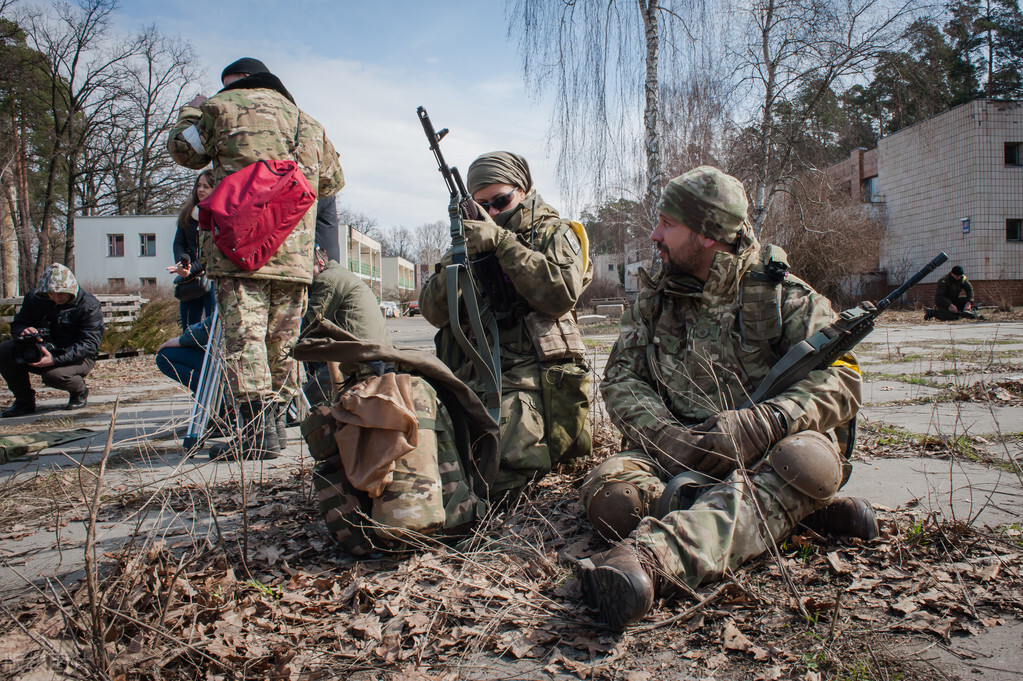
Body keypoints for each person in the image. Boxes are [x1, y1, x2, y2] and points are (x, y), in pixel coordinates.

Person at [576, 167, 877, 630]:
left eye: (667, 224)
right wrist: (666, 436)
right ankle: (783, 516)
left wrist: (768, 421)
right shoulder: (655, 300)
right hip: (675, 454)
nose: (655, 235)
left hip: (770, 451)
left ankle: (654, 559)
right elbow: (620, 378)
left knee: (805, 464)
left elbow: (844, 378)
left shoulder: (784, 297)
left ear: (708, 234)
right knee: (614, 499)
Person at [167, 56, 344, 459]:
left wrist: (191, 111)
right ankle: (275, 431)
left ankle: (256, 435)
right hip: (293, 250)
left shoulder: (218, 108)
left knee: (244, 337)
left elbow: (183, 150)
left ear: (238, 82)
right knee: (283, 341)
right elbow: (332, 180)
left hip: (240, 246)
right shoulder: (308, 123)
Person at [418, 151, 593, 501]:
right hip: (475, 376)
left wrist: (501, 244)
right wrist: (460, 254)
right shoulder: (469, 240)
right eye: (483, 205)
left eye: (501, 201)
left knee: (494, 481)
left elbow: (561, 293)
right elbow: (434, 312)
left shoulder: (554, 232)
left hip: (534, 378)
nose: (493, 213)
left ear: (523, 191)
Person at [0, 264, 104, 416]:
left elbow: (90, 344)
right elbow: (18, 323)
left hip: (77, 357)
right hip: (40, 350)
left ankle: (79, 391)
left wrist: (55, 359)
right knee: (4, 350)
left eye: (61, 293)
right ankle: (24, 401)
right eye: (51, 294)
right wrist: (23, 331)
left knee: (54, 376)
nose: (56, 297)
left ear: (71, 289)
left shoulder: (88, 305)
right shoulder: (34, 299)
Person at [301, 246, 393, 406]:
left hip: (363, 359)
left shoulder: (327, 280)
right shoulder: (341, 275)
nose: (306, 276)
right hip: (375, 353)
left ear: (320, 264)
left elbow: (310, 326)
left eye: (307, 270)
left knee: (306, 402)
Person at [168, 170, 217, 331]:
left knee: (212, 328)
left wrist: (191, 269)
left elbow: (212, 252)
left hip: (211, 278)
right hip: (190, 281)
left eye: (206, 186)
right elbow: (178, 242)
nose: (200, 190)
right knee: (188, 329)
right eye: (198, 186)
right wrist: (181, 265)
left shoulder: (219, 215)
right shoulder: (188, 213)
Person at [155, 315, 213, 395]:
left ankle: (211, 391)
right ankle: (209, 390)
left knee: (164, 357)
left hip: (222, 360)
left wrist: (182, 340)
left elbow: (208, 329)